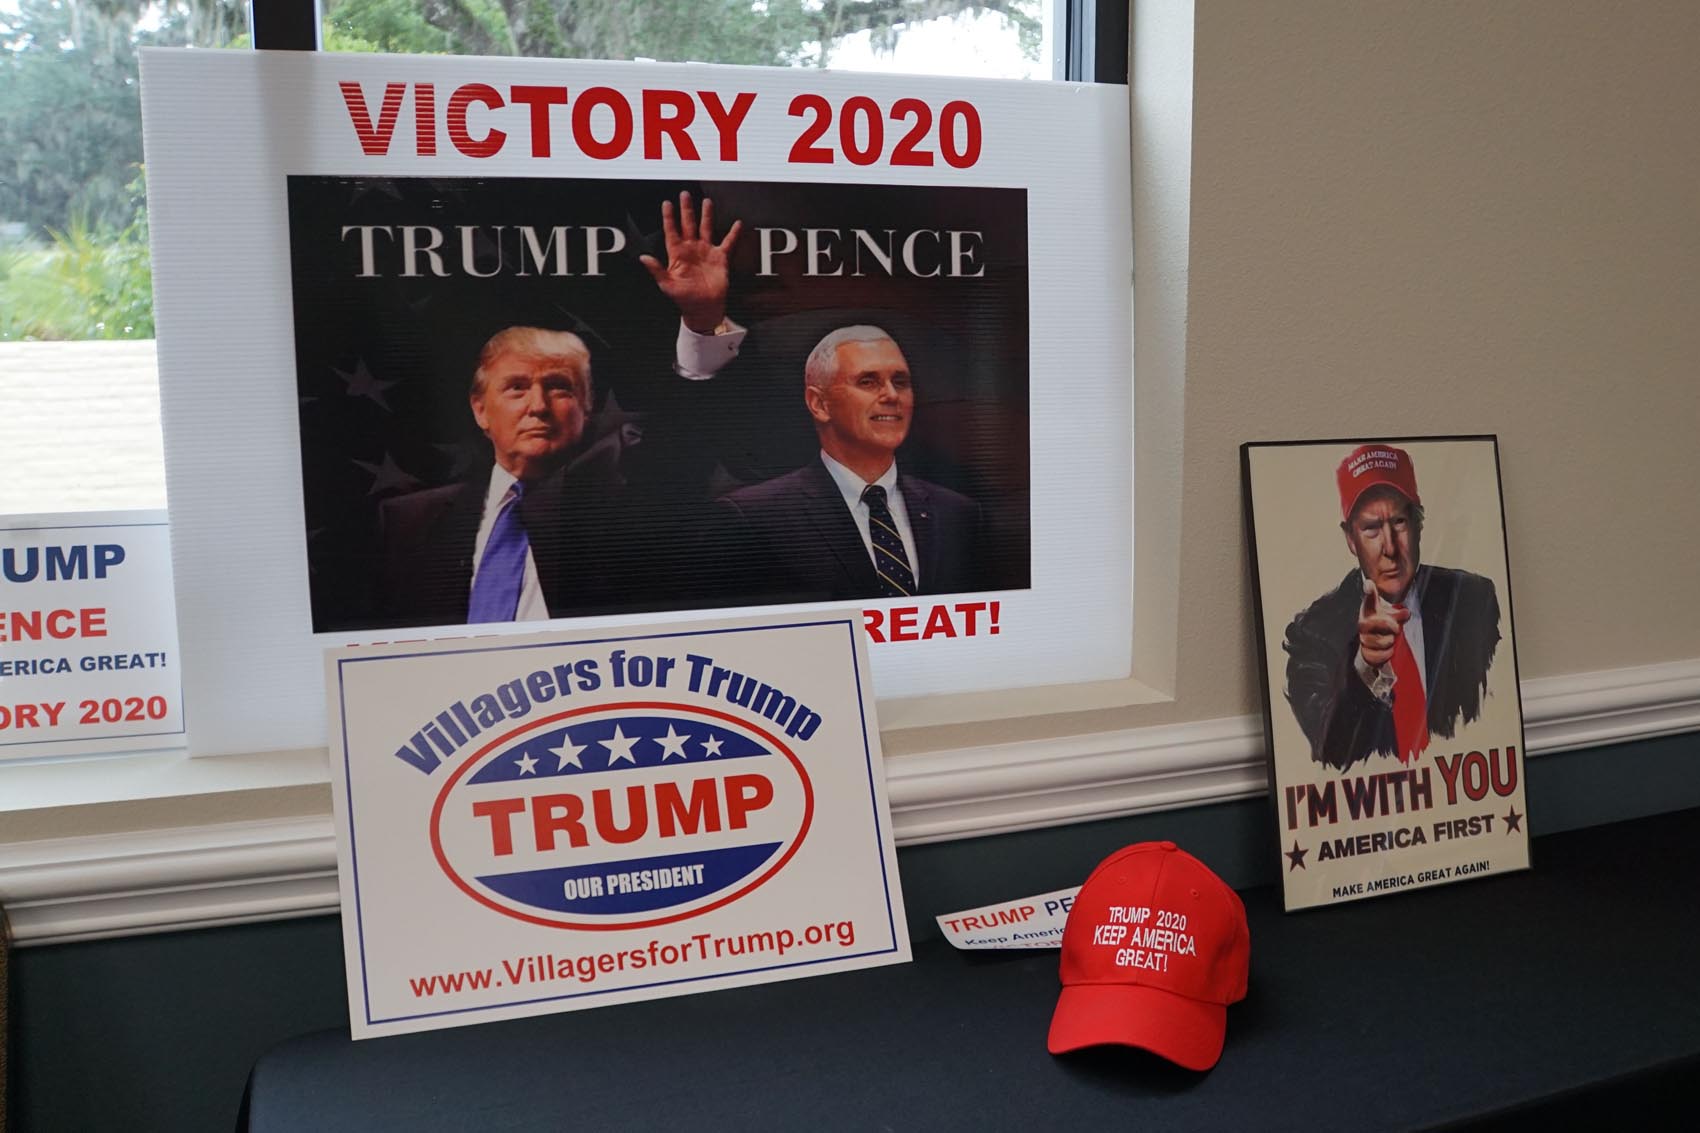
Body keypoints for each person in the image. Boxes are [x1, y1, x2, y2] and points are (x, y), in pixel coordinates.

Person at [375, 192, 744, 626]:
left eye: (558, 387)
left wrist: (703, 320)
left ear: (586, 405)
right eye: (516, 388)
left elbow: (680, 440)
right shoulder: (411, 521)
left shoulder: (625, 494)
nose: (538, 406)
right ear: (480, 410)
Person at [712, 325, 988, 603]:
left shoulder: (958, 514)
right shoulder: (753, 518)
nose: (892, 395)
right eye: (868, 382)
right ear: (819, 404)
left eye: (900, 382)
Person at [1282, 443, 1501, 770]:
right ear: (1351, 540)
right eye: (1371, 528)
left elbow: (1489, 715)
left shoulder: (1473, 598)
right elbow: (1330, 758)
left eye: (1399, 522)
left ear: (1418, 525)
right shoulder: (1312, 632)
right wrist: (1364, 666)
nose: (1390, 548)